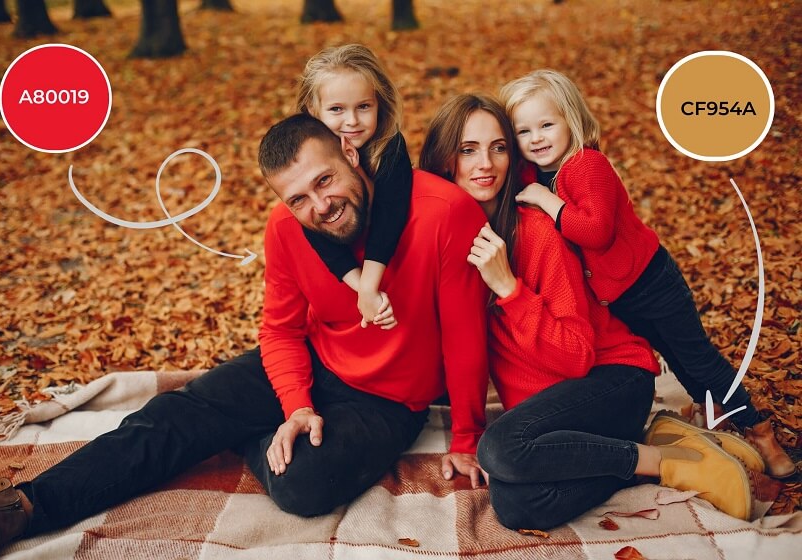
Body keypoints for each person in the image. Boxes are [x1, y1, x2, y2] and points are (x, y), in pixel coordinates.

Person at [0, 114, 490, 560]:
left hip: (388, 400)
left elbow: (467, 336)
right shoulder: (286, 228)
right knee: (168, 416)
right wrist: (297, 406)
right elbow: (280, 331)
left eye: (324, 181)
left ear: (350, 153)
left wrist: (466, 437)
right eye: (299, 198)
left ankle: (241, 431)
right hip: (312, 362)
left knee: (304, 484)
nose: (320, 206)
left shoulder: (442, 213)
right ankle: (16, 508)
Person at [419, 94, 762, 530]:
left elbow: (577, 356)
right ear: (444, 159)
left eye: (498, 147)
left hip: (611, 380)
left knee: (501, 449)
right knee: (515, 505)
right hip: (553, 419)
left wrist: (509, 288)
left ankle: (670, 461)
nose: (484, 163)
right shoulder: (453, 239)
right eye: (468, 149)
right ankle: (642, 442)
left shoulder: (537, 232)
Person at [500, 69, 795, 479]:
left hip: (650, 284)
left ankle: (759, 431)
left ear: (572, 120)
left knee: (695, 360)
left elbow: (596, 232)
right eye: (523, 131)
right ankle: (706, 414)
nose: (536, 138)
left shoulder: (587, 165)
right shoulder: (537, 172)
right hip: (615, 299)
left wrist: (546, 201)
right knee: (667, 361)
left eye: (547, 125)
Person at [297, 44, 413, 329]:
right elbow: (313, 226)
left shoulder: (390, 145)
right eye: (337, 109)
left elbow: (389, 213)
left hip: (398, 264)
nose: (352, 121)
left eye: (363, 107)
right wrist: (362, 287)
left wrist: (369, 286)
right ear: (313, 110)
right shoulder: (306, 153)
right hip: (340, 284)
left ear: (378, 104)